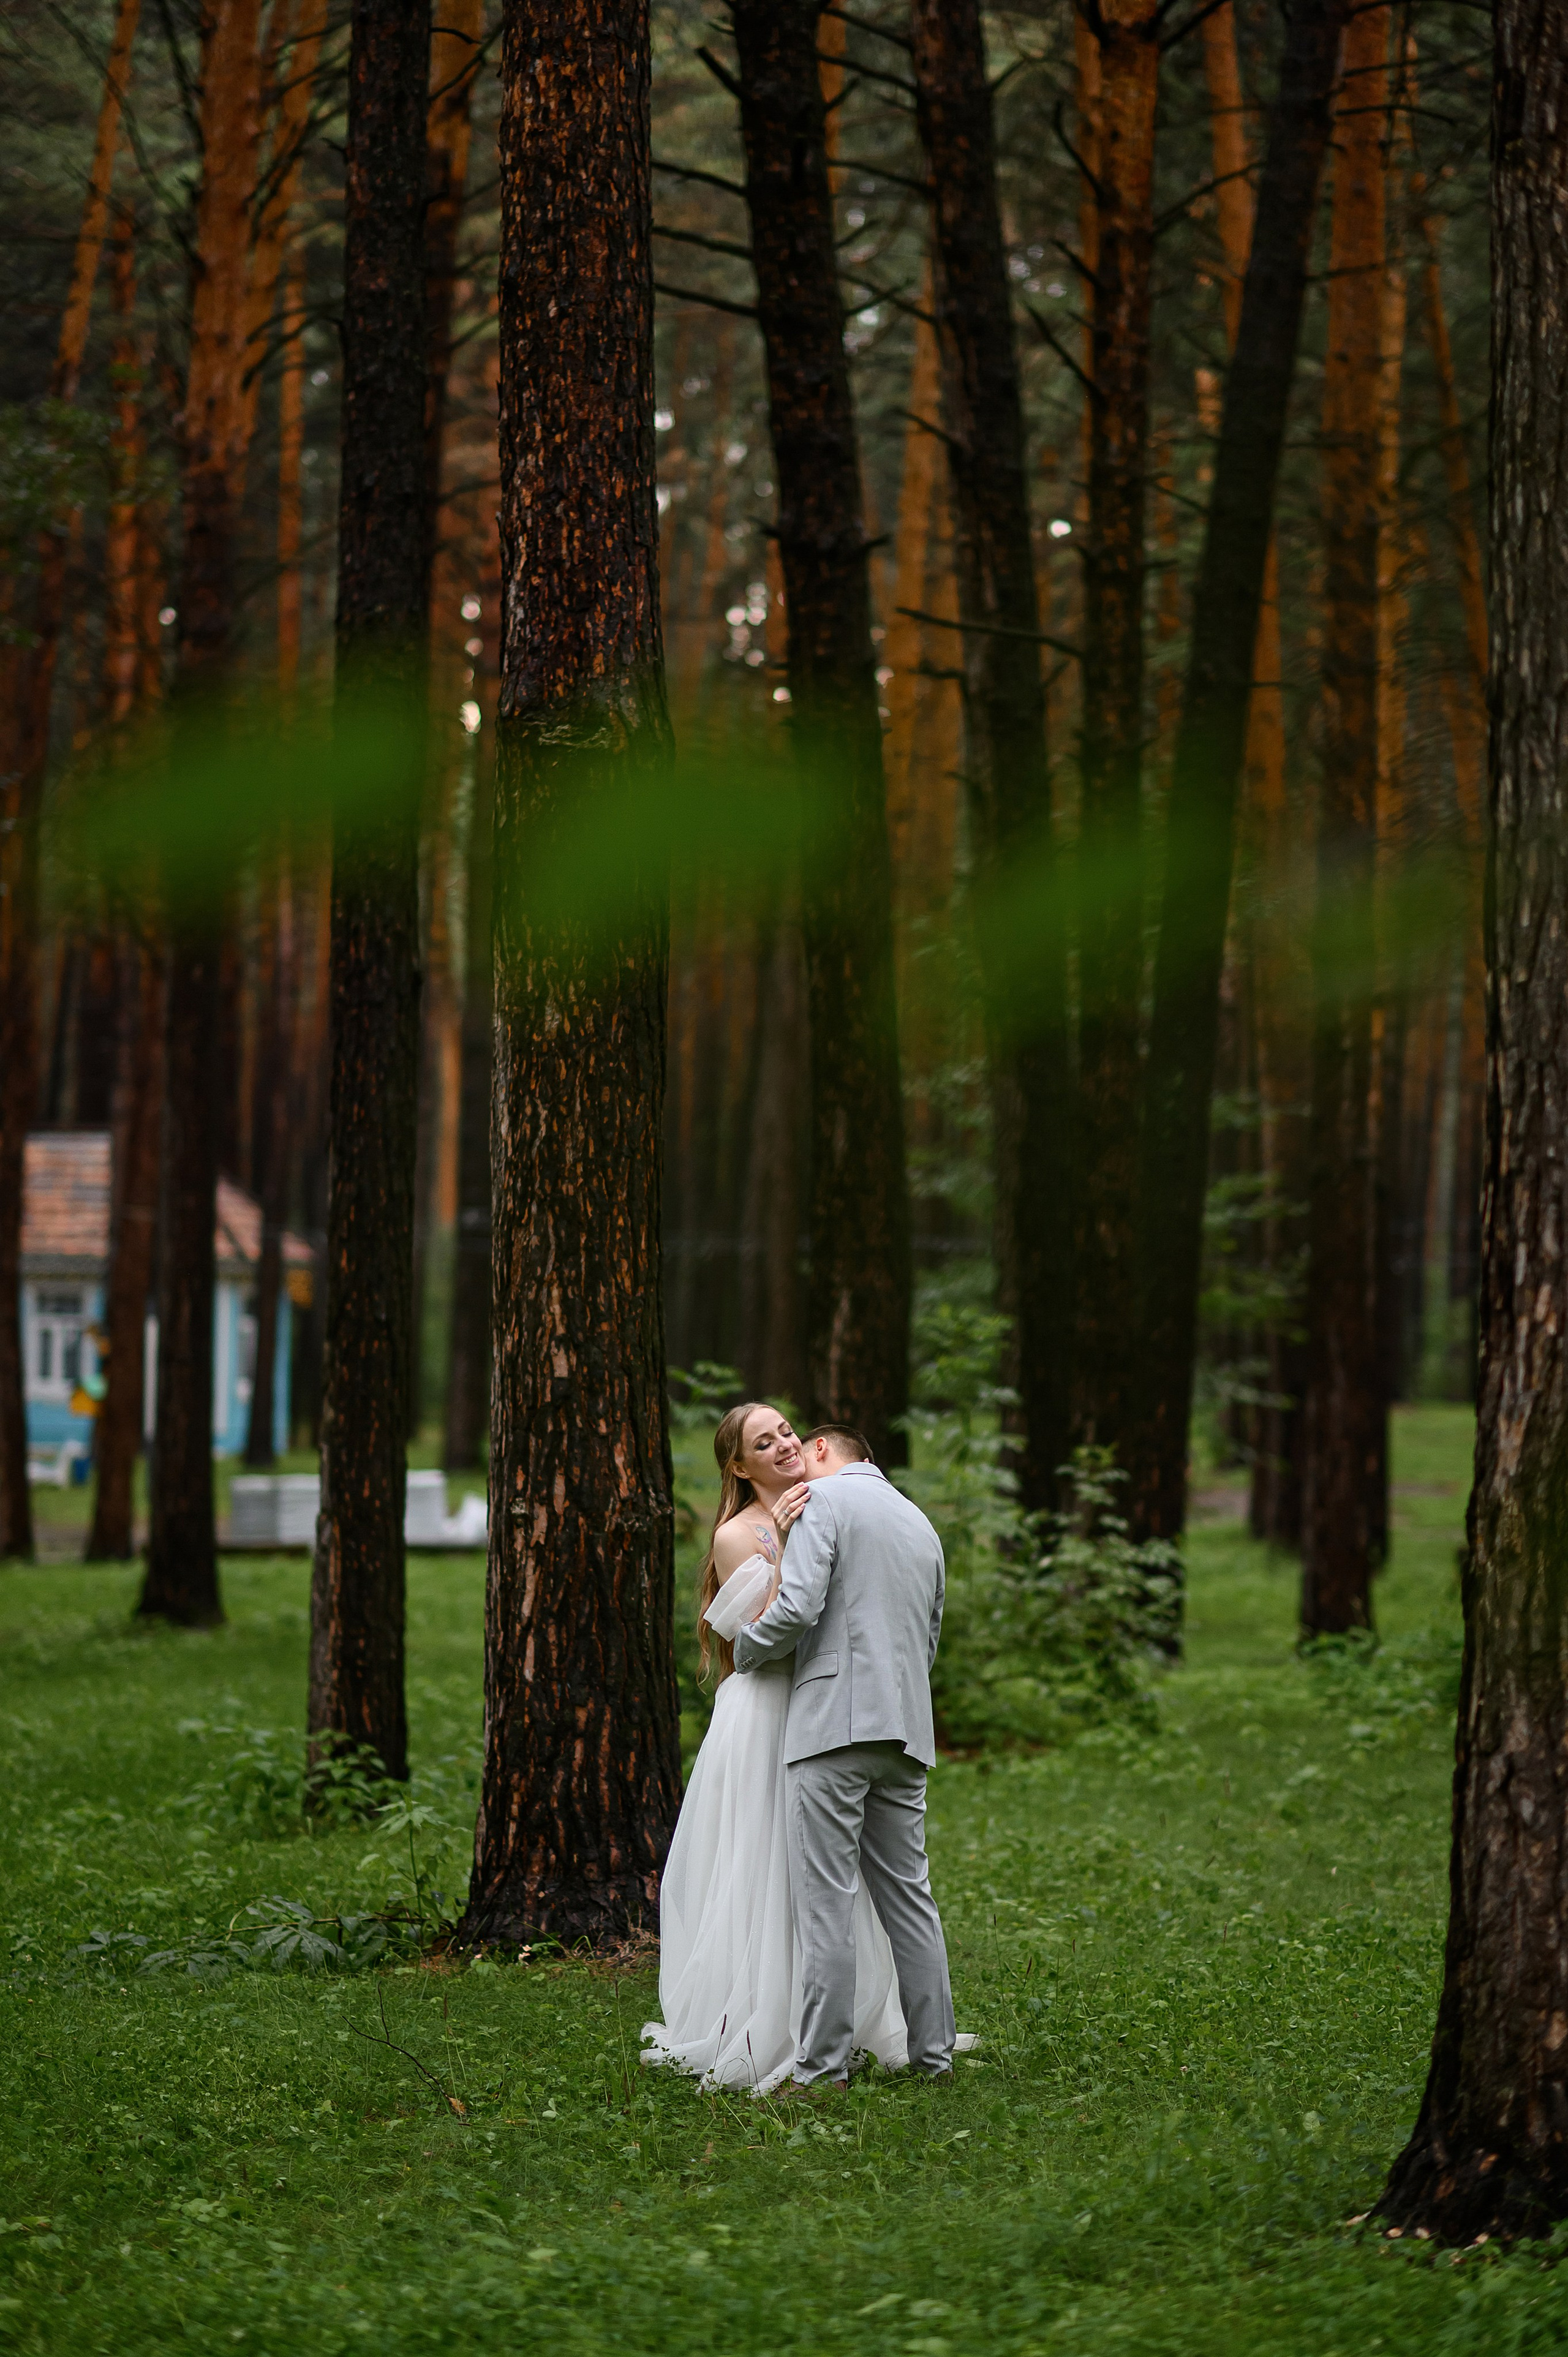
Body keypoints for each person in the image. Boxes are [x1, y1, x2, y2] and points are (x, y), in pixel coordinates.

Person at [641, 1403, 908, 2092]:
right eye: (765, 1441)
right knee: (769, 1861)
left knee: (829, 1872)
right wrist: (790, 1539)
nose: (786, 1443)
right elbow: (765, 1637)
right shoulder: (738, 1534)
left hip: (829, 1704)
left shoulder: (834, 1498)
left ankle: (836, 2023)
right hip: (768, 1710)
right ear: (739, 1464)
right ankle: (767, 2021)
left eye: (787, 1430)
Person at [733, 1421, 956, 2094]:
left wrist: (745, 1648)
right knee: (910, 1900)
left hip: (832, 1726)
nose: (796, 1457)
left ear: (826, 1451)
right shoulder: (921, 1524)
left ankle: (821, 2069)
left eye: (804, 1446)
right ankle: (935, 2059)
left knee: (825, 1902)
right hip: (906, 1728)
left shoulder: (822, 1500)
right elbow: (930, 1636)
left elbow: (797, 1605)